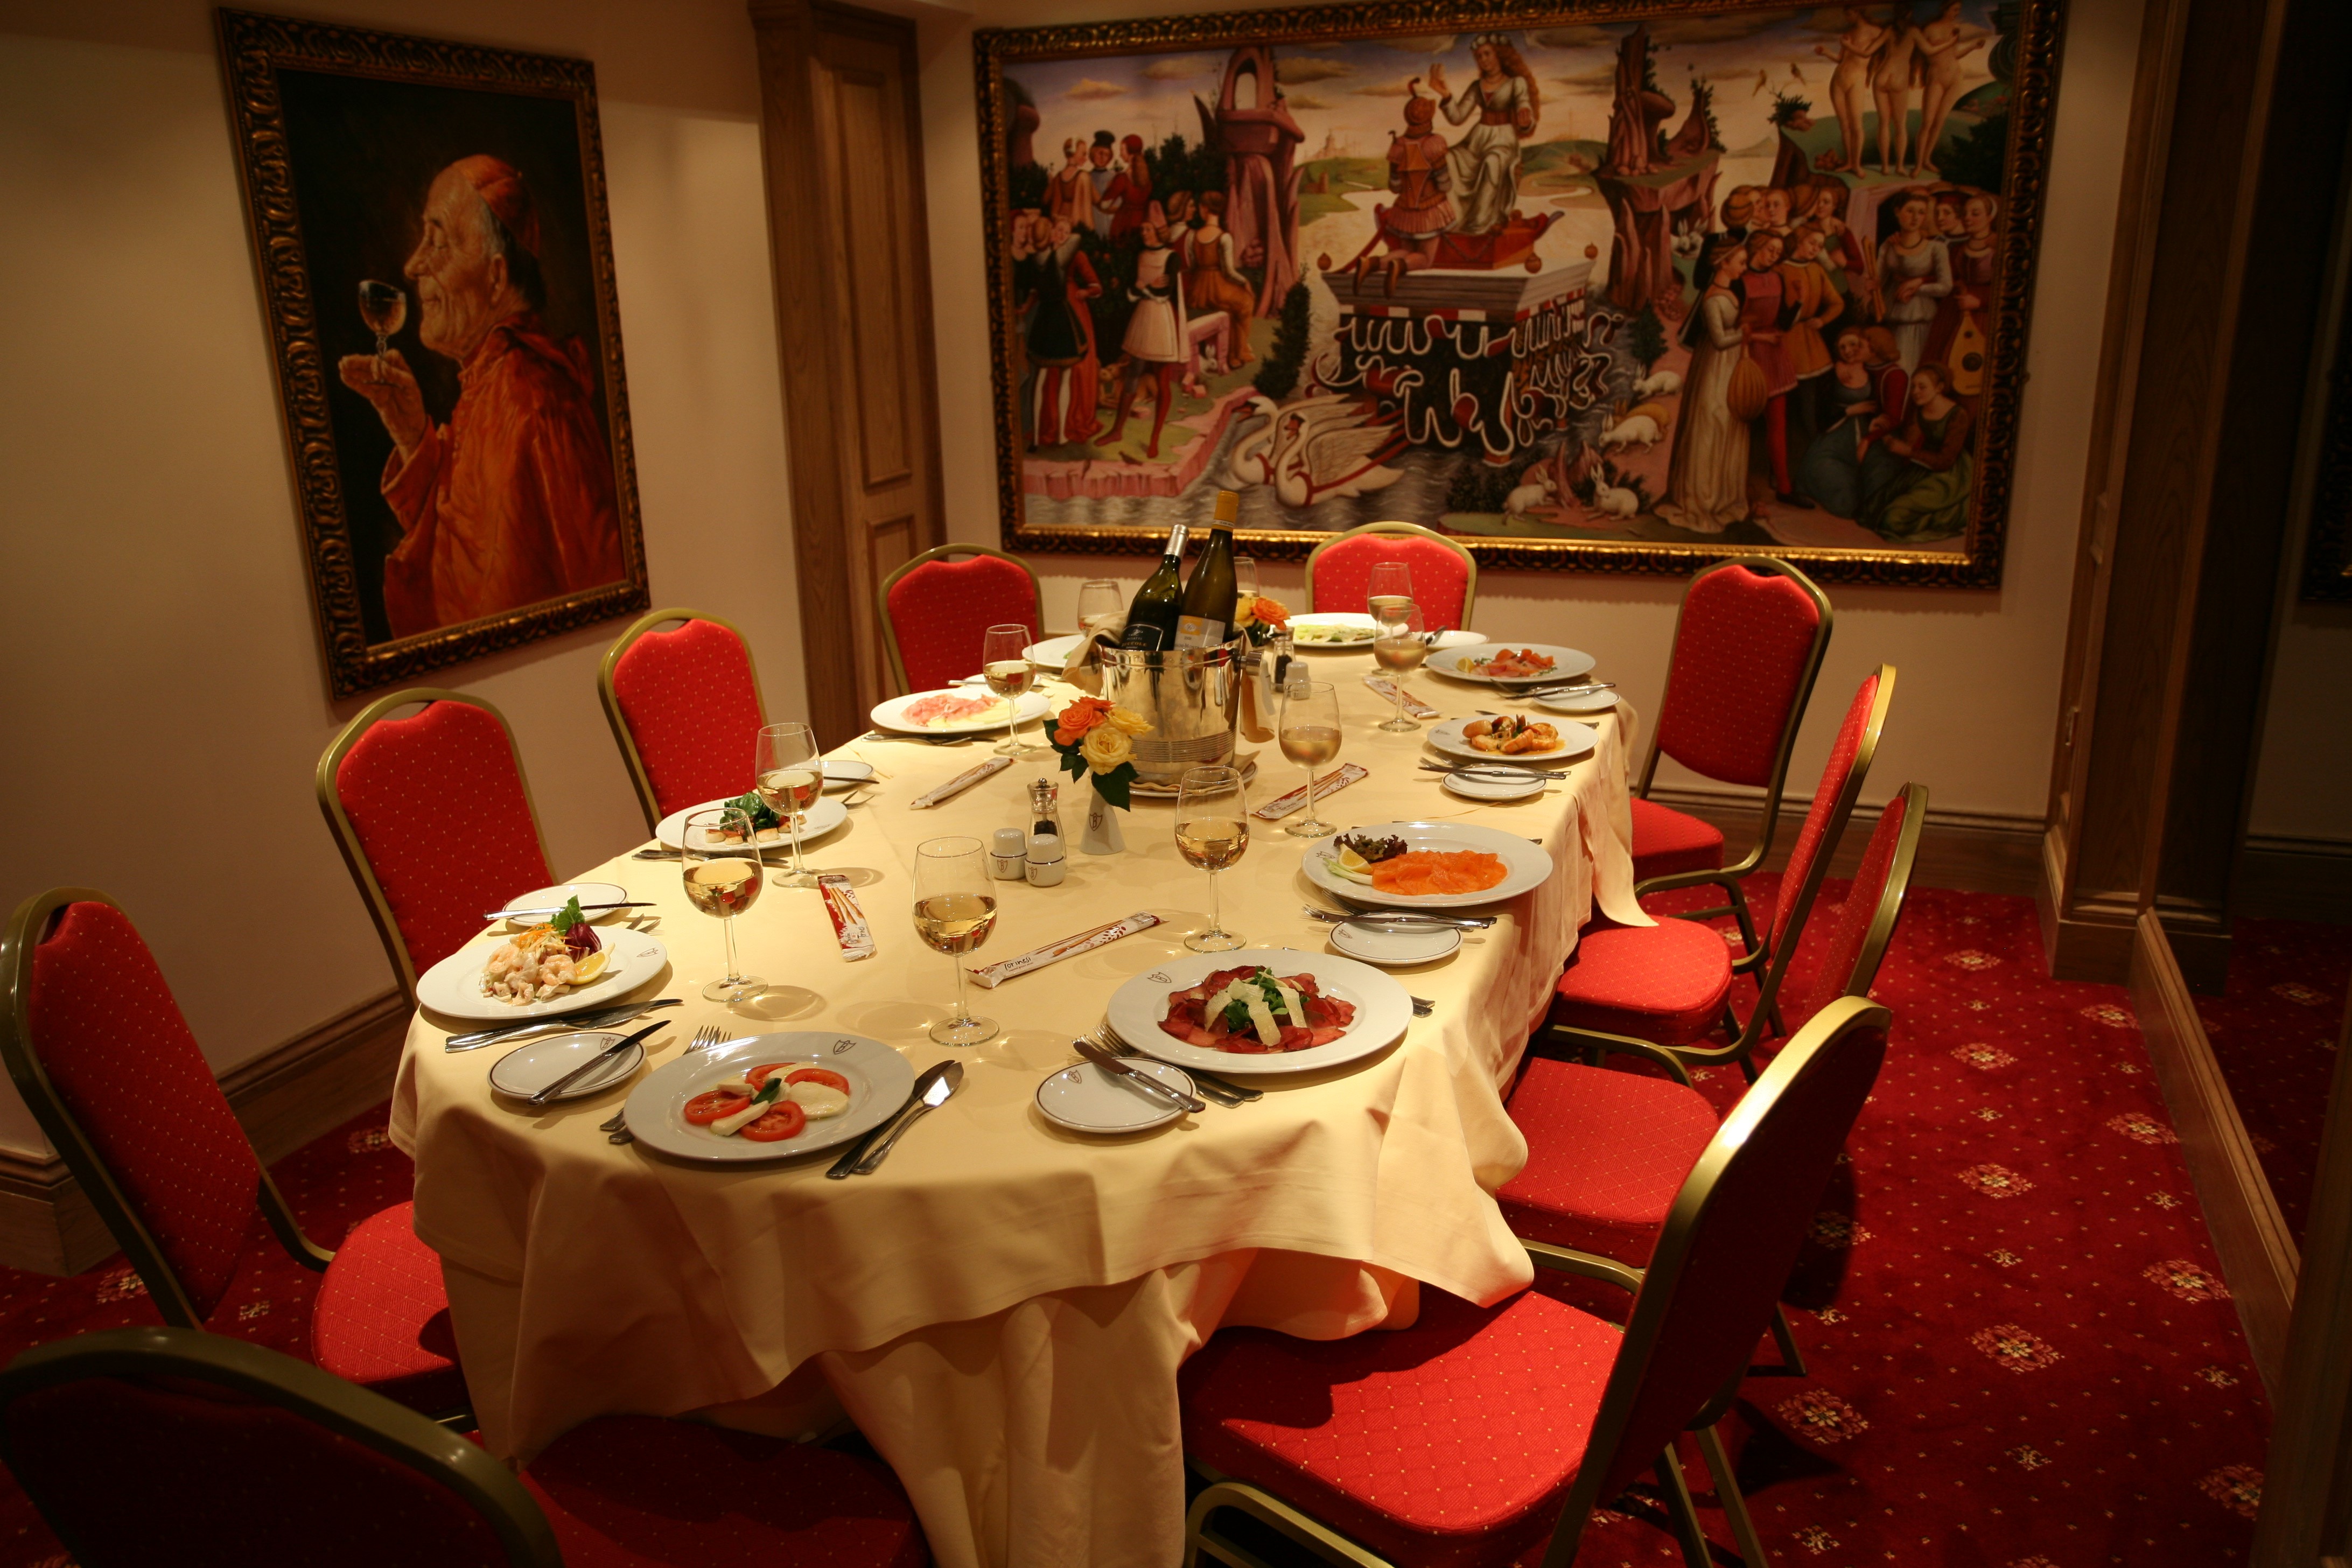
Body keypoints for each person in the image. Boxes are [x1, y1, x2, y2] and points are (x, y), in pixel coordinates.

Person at [336, 155, 621, 637]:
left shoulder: (535, 399)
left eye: (439, 242)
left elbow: (602, 584)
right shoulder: (487, 381)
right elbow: (461, 540)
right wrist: (412, 436)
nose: (413, 264)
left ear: (494, 275)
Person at [1657, 244, 1755, 534]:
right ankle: (1702, 498)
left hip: (1728, 366)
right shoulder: (1712, 300)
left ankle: (1724, 499)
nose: (1745, 267)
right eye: (1741, 261)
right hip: (1715, 369)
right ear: (1724, 263)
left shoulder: (1728, 293)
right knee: (1710, 426)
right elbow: (1719, 340)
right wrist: (1744, 333)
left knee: (1727, 425)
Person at [1427, 35, 1539, 236]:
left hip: (1503, 141)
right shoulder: (1476, 86)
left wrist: (1525, 121)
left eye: (1487, 54)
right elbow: (1457, 117)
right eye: (1479, 56)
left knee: (1492, 162)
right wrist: (1445, 95)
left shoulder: (1516, 83)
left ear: (1500, 55)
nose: (1483, 59)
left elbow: (1524, 109)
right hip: (1477, 139)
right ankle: (1455, 220)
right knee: (1448, 158)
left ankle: (1479, 225)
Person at [1099, 209, 1187, 458]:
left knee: (1161, 379)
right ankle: (1117, 430)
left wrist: (1143, 288)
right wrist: (1146, 288)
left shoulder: (1172, 257)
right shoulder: (1140, 256)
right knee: (1132, 374)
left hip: (1161, 321)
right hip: (1142, 318)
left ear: (1159, 231)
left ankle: (1155, 439)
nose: (1144, 234)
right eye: (1142, 230)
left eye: (1148, 229)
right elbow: (1129, 293)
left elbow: (1164, 294)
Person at [1797, 325, 1910, 517]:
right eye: (1842, 347)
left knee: (1879, 488)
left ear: (1868, 347)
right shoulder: (1832, 375)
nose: (1848, 351)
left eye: (1853, 345)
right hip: (1834, 442)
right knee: (1845, 502)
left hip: (1868, 438)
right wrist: (1849, 411)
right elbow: (1821, 418)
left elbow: (1889, 412)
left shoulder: (1874, 372)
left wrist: (1874, 426)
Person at [1356, 79, 1455, 291]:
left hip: (1405, 210)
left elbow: (1395, 186)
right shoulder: (1434, 144)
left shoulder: (1398, 145)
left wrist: (1411, 187)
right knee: (1425, 258)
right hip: (1430, 209)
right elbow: (1445, 184)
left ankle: (1373, 263)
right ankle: (1399, 267)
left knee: (1405, 249)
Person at [1859, 360, 1973, 540]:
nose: (1915, 392)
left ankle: (1941, 518)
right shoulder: (1920, 410)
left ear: (1939, 388)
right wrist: (1883, 431)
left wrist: (1908, 452)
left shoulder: (1958, 415)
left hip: (1950, 476)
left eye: (1922, 387)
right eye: (1913, 387)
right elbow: (1906, 441)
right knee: (1871, 509)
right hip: (1922, 467)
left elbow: (1945, 461)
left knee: (1893, 519)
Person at [1737, 231, 1810, 508]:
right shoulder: (1739, 281)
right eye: (1771, 249)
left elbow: (1784, 323)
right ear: (1756, 247)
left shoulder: (1778, 279)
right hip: (1746, 355)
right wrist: (1758, 338)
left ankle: (1784, 486)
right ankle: (1734, 488)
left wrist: (1801, 301)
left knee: (1778, 425)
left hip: (1774, 355)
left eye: (1778, 252)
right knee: (1740, 426)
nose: (1774, 255)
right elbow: (1731, 328)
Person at [1015, 215, 1101, 447]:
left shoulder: (1043, 258)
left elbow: (1095, 285)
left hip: (1062, 315)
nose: (1062, 235)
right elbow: (1036, 289)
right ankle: (1051, 432)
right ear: (1050, 232)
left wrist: (1085, 293)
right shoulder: (1058, 257)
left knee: (1053, 376)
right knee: (1052, 376)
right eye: (1057, 230)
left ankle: (1052, 434)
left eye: (1065, 231)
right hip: (1059, 317)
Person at [1923, 189, 2000, 397]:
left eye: (1975, 214)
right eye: (1965, 213)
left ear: (1990, 217)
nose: (1968, 218)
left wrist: (1981, 301)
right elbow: (1947, 277)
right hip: (1952, 313)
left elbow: (2009, 290)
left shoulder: (2000, 248)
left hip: (1982, 318)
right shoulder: (1958, 249)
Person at [1779, 223, 1847, 454]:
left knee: (1809, 401)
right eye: (1812, 243)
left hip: (1810, 342)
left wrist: (1823, 321)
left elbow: (1837, 303)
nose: (1816, 249)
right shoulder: (1781, 270)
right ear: (1798, 241)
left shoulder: (1817, 270)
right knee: (1785, 404)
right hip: (1785, 339)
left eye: (1820, 246)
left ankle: (1812, 449)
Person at [1913, 1, 1993, 177]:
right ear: (1945, 8)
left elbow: (1954, 54)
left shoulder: (1955, 27)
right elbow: (1929, 53)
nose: (1957, 13)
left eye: (1959, 10)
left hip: (1955, 77)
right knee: (1927, 122)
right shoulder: (1931, 29)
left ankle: (1927, 160)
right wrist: (1950, 41)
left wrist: (1973, 47)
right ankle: (1919, 164)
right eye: (1954, 9)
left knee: (1939, 122)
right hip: (1936, 77)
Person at [1876, 188, 1951, 372]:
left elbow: (1945, 286)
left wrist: (1916, 287)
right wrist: (1872, 285)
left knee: (1912, 367)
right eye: (1910, 211)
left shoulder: (1936, 248)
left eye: (1921, 212)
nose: (1916, 218)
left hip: (1921, 318)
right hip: (1892, 314)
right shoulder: (1889, 244)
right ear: (1897, 212)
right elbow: (1879, 278)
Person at [1180, 190, 1257, 365]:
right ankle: (1239, 351)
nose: (1199, 209)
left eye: (1200, 206)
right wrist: (1245, 282)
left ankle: (1236, 353)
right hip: (1217, 288)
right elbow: (1229, 272)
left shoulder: (1193, 236)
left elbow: (1192, 266)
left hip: (1198, 290)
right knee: (1246, 302)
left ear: (1205, 209)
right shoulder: (1224, 238)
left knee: (1232, 309)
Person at [1814, 8, 1890, 176]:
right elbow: (1842, 59)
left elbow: (1867, 54)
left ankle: (1857, 164)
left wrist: (1849, 45)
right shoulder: (1849, 32)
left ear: (1858, 12)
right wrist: (1826, 52)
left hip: (1857, 79)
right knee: (1845, 125)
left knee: (1856, 125)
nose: (1847, 18)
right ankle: (1849, 162)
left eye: (1848, 14)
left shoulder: (1876, 32)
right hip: (1839, 79)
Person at [1871, 5, 1924, 176]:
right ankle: (1900, 166)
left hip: (1881, 77)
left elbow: (1868, 52)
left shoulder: (1888, 30)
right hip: (1899, 80)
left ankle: (1885, 167)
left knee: (1884, 123)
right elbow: (1930, 50)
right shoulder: (1914, 32)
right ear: (1909, 13)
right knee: (1900, 125)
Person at [1100, 134, 1154, 246]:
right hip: (1143, 223)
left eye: (1122, 150)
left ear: (1130, 152)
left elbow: (1104, 205)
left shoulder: (1122, 178)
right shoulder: (1148, 178)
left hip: (1124, 226)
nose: (1120, 154)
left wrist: (1109, 188)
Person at [1045, 138, 1094, 233]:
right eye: (1083, 154)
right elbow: (1097, 201)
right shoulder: (1084, 176)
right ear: (1073, 153)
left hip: (1062, 223)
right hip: (1074, 225)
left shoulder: (1059, 177)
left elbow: (1048, 201)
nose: (1086, 158)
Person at [1086, 131, 1119, 240]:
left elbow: (1118, 206)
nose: (1103, 158)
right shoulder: (1086, 177)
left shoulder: (1115, 178)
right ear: (1093, 153)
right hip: (1091, 224)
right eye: (1100, 153)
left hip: (1109, 225)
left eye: (1107, 155)